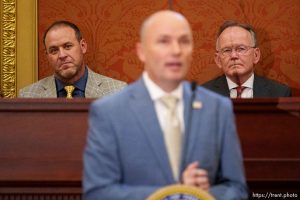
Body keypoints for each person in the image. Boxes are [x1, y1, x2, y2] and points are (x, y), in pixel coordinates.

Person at [83, 10, 248, 200]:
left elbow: (237, 189)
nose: (176, 50)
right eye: (164, 41)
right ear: (141, 51)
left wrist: (205, 194)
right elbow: (98, 193)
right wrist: (176, 192)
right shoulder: (109, 112)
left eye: (184, 41)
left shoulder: (218, 108)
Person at [19, 21, 126, 98]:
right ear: (47, 55)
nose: (62, 55)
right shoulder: (28, 95)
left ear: (83, 46)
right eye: (54, 50)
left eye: (67, 46)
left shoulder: (117, 91)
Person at [202, 20, 292, 98]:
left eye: (241, 49)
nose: (233, 55)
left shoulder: (279, 93)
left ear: (256, 55)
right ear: (218, 60)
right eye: (227, 50)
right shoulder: (202, 95)